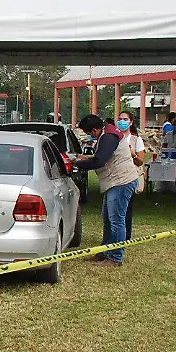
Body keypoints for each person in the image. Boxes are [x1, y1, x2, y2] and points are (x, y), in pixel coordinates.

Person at [74, 114, 139, 267]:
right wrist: (86, 157)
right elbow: (102, 155)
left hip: (121, 182)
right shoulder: (106, 134)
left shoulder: (108, 137)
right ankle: (105, 251)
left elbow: (100, 161)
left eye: (90, 133)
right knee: (109, 219)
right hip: (114, 182)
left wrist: (79, 164)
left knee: (116, 220)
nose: (90, 136)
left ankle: (115, 257)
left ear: (96, 129)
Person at [117, 111, 145, 239]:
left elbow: (140, 161)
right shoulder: (114, 137)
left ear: (131, 122)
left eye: (125, 119)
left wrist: (133, 154)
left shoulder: (136, 139)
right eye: (120, 119)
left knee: (126, 209)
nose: (122, 121)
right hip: (115, 176)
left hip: (129, 177)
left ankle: (126, 236)